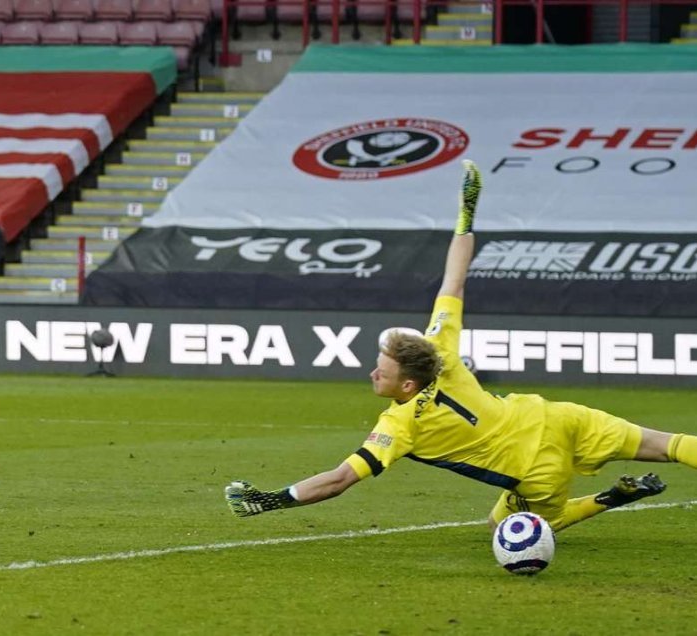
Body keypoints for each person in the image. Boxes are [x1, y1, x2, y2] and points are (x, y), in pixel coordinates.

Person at [224, 160, 697, 532]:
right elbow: (456, 277)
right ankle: (621, 488)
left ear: (407, 383)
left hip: (537, 467)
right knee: (667, 444)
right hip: (560, 418)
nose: (372, 374)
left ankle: (608, 498)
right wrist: (465, 216)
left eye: (381, 371)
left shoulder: (400, 424)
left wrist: (273, 499)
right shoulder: (440, 350)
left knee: (504, 529)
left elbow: (339, 480)